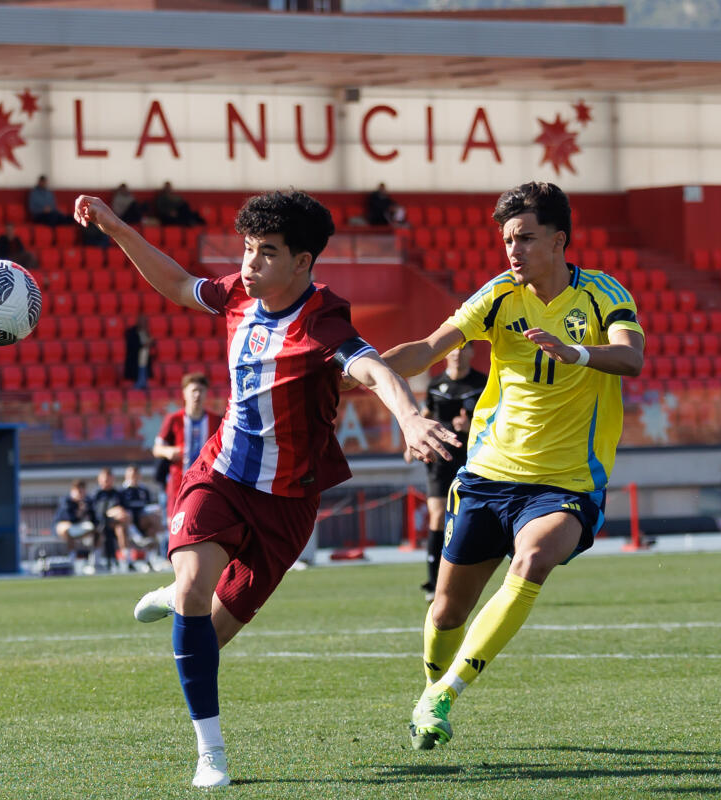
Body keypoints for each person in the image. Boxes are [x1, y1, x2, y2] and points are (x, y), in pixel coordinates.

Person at [73, 187, 459, 789]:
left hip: (289, 502)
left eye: (267, 253)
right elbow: (178, 285)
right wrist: (116, 226)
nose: (249, 264)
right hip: (220, 474)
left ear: (303, 263)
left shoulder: (323, 319)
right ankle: (211, 752)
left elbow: (374, 368)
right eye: (248, 249)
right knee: (199, 588)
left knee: (211, 632)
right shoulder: (235, 295)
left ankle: (179, 596)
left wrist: (408, 417)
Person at [373, 181, 644, 751]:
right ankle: (432, 690)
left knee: (535, 558)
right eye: (506, 240)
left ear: (559, 240)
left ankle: (449, 692)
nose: (512, 251)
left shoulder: (601, 294)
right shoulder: (498, 295)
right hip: (488, 475)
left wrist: (579, 353)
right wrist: (361, 368)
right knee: (447, 612)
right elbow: (427, 348)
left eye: (524, 238)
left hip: (566, 483)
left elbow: (632, 356)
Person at [414, 340, 485, 601]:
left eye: (463, 347)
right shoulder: (435, 384)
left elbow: (496, 420)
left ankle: (471, 580)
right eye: (452, 348)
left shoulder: (483, 383)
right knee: (437, 516)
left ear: (471, 352)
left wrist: (471, 427)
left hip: (474, 458)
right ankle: (433, 583)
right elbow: (425, 414)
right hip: (440, 459)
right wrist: (414, 443)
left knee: (474, 520)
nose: (457, 353)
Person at [152, 372, 221, 524]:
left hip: (207, 484)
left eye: (201, 391)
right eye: (193, 391)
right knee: (175, 527)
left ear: (206, 394)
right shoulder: (174, 419)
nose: (197, 395)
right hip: (178, 483)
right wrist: (168, 451)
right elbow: (157, 448)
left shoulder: (216, 420)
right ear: (184, 394)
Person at [118, 464, 164, 566]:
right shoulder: (122, 491)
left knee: (153, 522)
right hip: (127, 522)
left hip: (142, 520)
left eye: (136, 475)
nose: (134, 477)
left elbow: (149, 506)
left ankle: (151, 559)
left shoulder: (144, 490)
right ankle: (127, 561)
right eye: (131, 475)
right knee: (121, 527)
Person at [53, 479, 98, 559]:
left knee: (97, 530)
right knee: (67, 528)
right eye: (79, 491)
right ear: (73, 491)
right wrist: (79, 512)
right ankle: (72, 555)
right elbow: (69, 519)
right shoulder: (66, 501)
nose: (81, 494)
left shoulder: (87, 501)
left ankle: (95, 556)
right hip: (64, 528)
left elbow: (94, 518)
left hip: (79, 528)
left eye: (82, 491)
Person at [124, 314, 156, 390]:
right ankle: (138, 385)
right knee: (137, 373)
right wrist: (145, 344)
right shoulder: (132, 332)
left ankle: (143, 384)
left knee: (144, 371)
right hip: (135, 357)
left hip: (145, 357)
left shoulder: (146, 332)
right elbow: (133, 344)